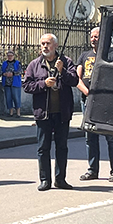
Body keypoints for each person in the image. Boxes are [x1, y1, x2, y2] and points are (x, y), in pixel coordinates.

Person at [23, 33, 80, 191]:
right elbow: (27, 86)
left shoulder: (66, 61)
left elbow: (74, 81)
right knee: (43, 148)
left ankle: (60, 179)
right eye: (42, 44)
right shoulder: (35, 65)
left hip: (62, 113)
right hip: (43, 113)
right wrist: (43, 84)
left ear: (55, 45)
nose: (44, 47)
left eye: (48, 43)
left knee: (62, 147)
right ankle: (45, 180)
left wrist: (63, 72)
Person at [77, 27, 113, 182]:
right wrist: (87, 91)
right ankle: (92, 170)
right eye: (91, 36)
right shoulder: (84, 55)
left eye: (96, 36)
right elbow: (78, 77)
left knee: (111, 137)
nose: (93, 39)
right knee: (90, 137)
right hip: (88, 102)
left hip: (106, 102)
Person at [0, 50, 22, 116]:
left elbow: (20, 71)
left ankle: (18, 112)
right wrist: (4, 74)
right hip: (7, 83)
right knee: (8, 98)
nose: (9, 57)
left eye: (11, 56)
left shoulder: (17, 63)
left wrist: (12, 74)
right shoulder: (4, 63)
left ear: (13, 56)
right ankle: (11, 112)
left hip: (15, 83)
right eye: (8, 56)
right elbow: (0, 71)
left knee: (16, 97)